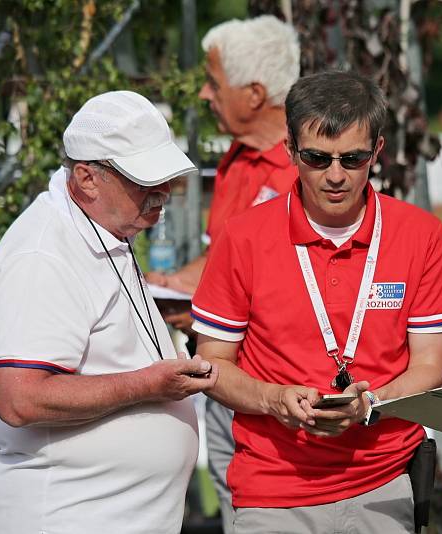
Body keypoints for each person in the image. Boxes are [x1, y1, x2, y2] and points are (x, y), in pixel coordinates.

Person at [191, 70, 442, 533]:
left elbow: (430, 365)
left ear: (377, 152)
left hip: (385, 484)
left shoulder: (421, 234)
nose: (335, 176)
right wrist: (275, 399)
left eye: (353, 159)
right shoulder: (244, 236)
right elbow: (212, 365)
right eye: (317, 158)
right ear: (291, 150)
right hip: (273, 491)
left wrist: (370, 403)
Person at [0, 91, 218, 534]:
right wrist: (150, 384)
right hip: (67, 517)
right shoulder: (43, 255)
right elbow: (21, 398)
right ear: (87, 178)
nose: (163, 192)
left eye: (166, 177)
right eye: (146, 179)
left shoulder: (98, 226)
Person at [145, 15, 301, 531]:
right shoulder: (237, 158)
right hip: (219, 373)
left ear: (255, 93)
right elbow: (219, 259)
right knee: (238, 512)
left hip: (279, 394)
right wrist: (163, 285)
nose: (206, 95)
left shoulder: (314, 172)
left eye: (215, 82)